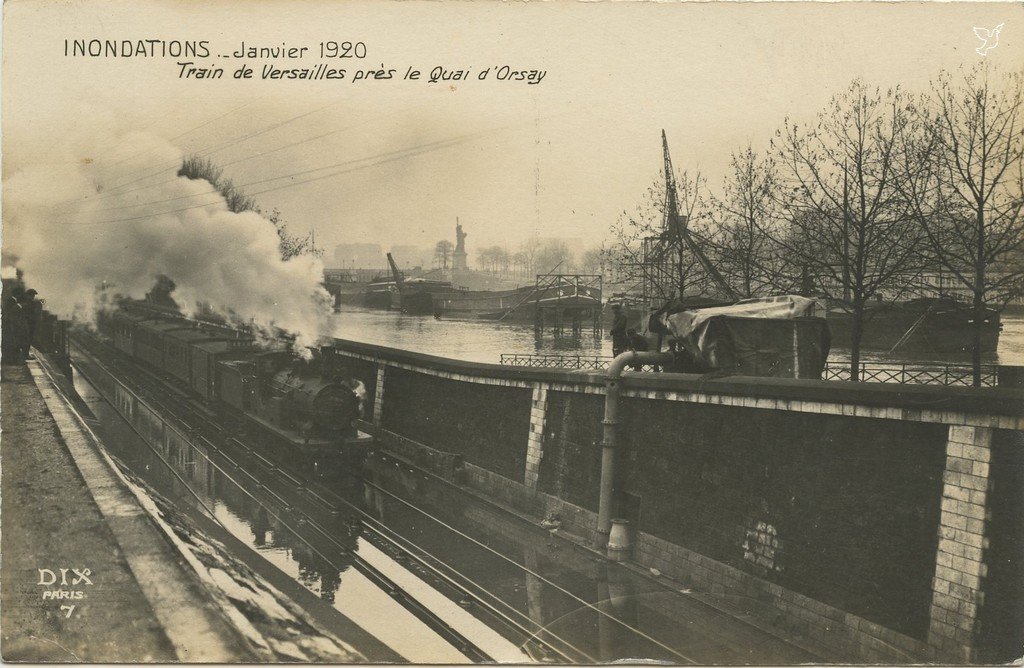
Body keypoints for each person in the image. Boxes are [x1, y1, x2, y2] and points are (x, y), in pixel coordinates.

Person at [2, 286, 29, 364]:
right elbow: (10, 315)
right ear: (18, 294)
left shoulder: (12, 301)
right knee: (13, 343)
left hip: (11, 325)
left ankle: (14, 360)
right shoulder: (12, 302)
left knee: (13, 343)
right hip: (11, 326)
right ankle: (13, 361)